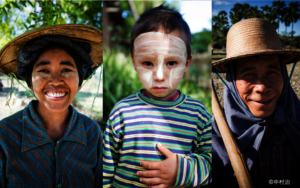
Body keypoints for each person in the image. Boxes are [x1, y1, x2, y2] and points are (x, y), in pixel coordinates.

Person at [103, 4, 212, 188]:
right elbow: (106, 170)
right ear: (134, 62)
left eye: (171, 62)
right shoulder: (122, 112)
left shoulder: (198, 114)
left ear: (186, 63)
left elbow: (214, 162)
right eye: (147, 63)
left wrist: (182, 171)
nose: (159, 76)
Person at [0, 25, 103, 187]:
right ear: (30, 82)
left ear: (80, 80)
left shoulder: (92, 133)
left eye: (66, 69)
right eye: (43, 70)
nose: (55, 80)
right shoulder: (4, 136)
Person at [212, 18, 300, 188]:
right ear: (231, 82)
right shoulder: (211, 140)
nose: (262, 87)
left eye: (272, 72)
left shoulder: (296, 125)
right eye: (249, 74)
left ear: (283, 75)